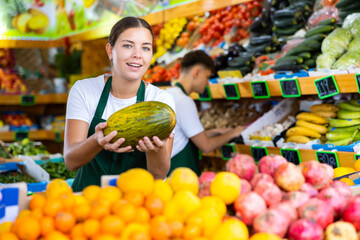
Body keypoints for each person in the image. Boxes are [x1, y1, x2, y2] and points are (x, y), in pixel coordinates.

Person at [64, 17, 175, 192]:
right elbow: (70, 162)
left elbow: (158, 175)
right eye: (128, 45)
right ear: (110, 50)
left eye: (145, 48)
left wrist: (156, 151)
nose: (137, 54)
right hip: (86, 200)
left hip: (134, 203)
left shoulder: (160, 101)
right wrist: (97, 140)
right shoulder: (84, 90)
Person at [166, 50, 244, 176]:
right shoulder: (184, 101)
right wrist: (233, 133)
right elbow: (206, 146)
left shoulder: (170, 94)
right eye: (207, 77)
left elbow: (185, 136)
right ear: (196, 72)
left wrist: (216, 132)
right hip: (179, 175)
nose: (207, 83)